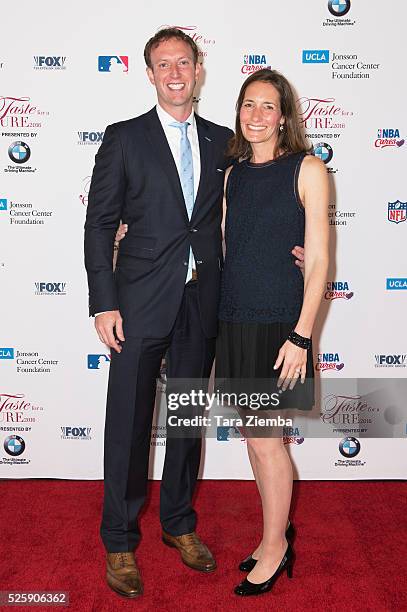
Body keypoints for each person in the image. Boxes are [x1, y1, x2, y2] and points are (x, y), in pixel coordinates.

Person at [85, 27, 306, 598]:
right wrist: (103, 300)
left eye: (184, 62)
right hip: (136, 305)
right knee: (128, 424)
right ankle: (119, 539)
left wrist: (301, 249)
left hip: (201, 304)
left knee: (184, 422)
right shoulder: (123, 139)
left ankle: (179, 524)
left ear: (199, 69)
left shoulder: (222, 144)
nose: (176, 73)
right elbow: (99, 224)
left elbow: (265, 200)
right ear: (151, 74)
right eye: (164, 64)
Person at [215, 69, 329, 597]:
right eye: (248, 105)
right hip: (234, 319)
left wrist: (302, 336)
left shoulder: (307, 168)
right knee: (255, 442)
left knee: (267, 442)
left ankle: (277, 547)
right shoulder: (231, 173)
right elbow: (220, 246)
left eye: (267, 106)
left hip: (280, 326)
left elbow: (321, 259)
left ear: (284, 116)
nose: (256, 115)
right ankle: (272, 537)